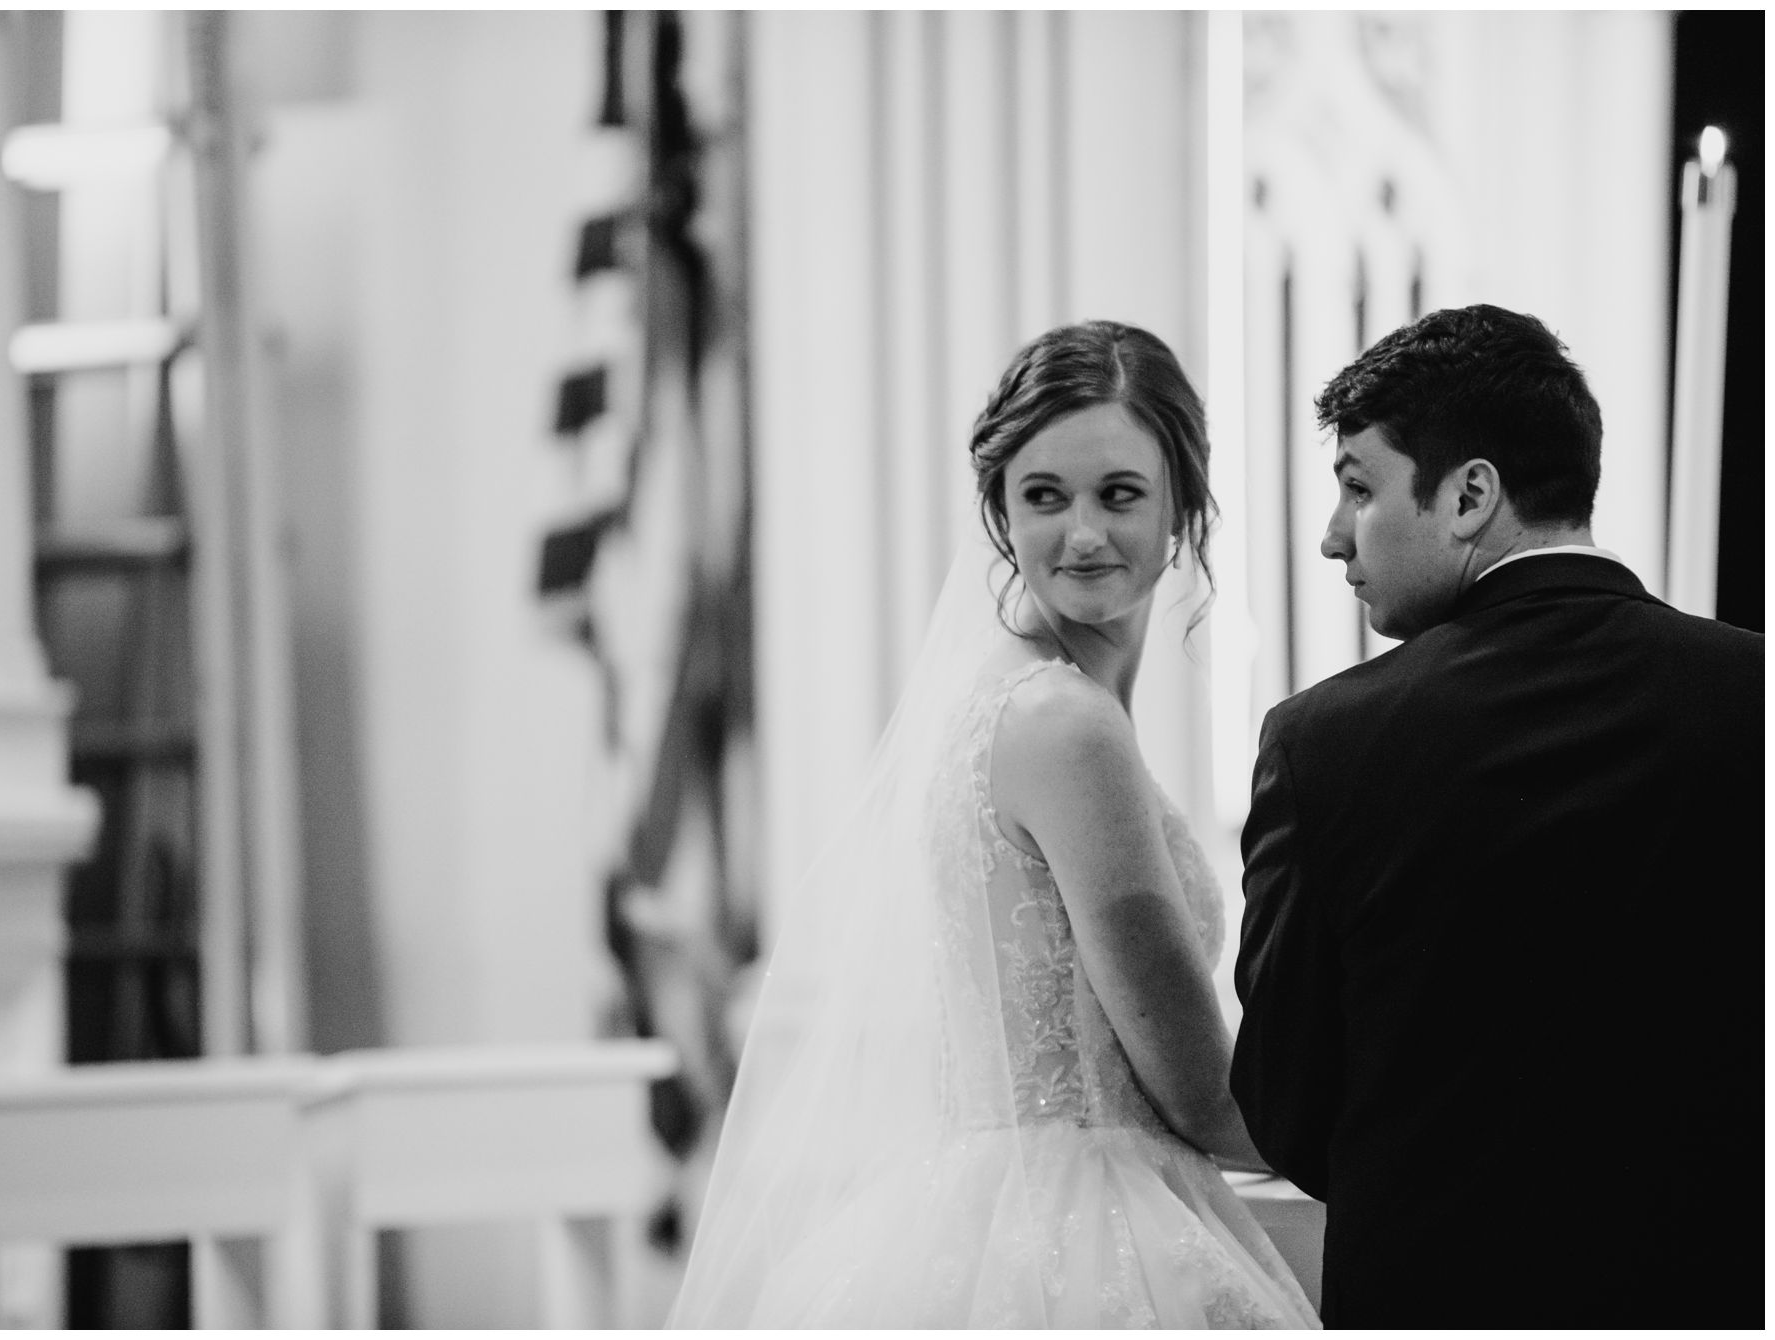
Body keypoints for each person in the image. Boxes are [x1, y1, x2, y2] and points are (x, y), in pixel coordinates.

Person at [670, 321, 1318, 1327]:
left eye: (1119, 492)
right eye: (1042, 495)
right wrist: (1388, 1145)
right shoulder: (1066, 724)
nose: (1083, 532)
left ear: (1182, 504)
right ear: (999, 512)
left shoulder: (1006, 699)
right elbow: (1197, 1091)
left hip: (987, 1211)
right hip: (1088, 1239)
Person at [1231, 304, 1764, 1327]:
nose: (1332, 533)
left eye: (1357, 486)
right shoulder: (1756, 696)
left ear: (1470, 493)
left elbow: (1286, 1108)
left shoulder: (1322, 744)